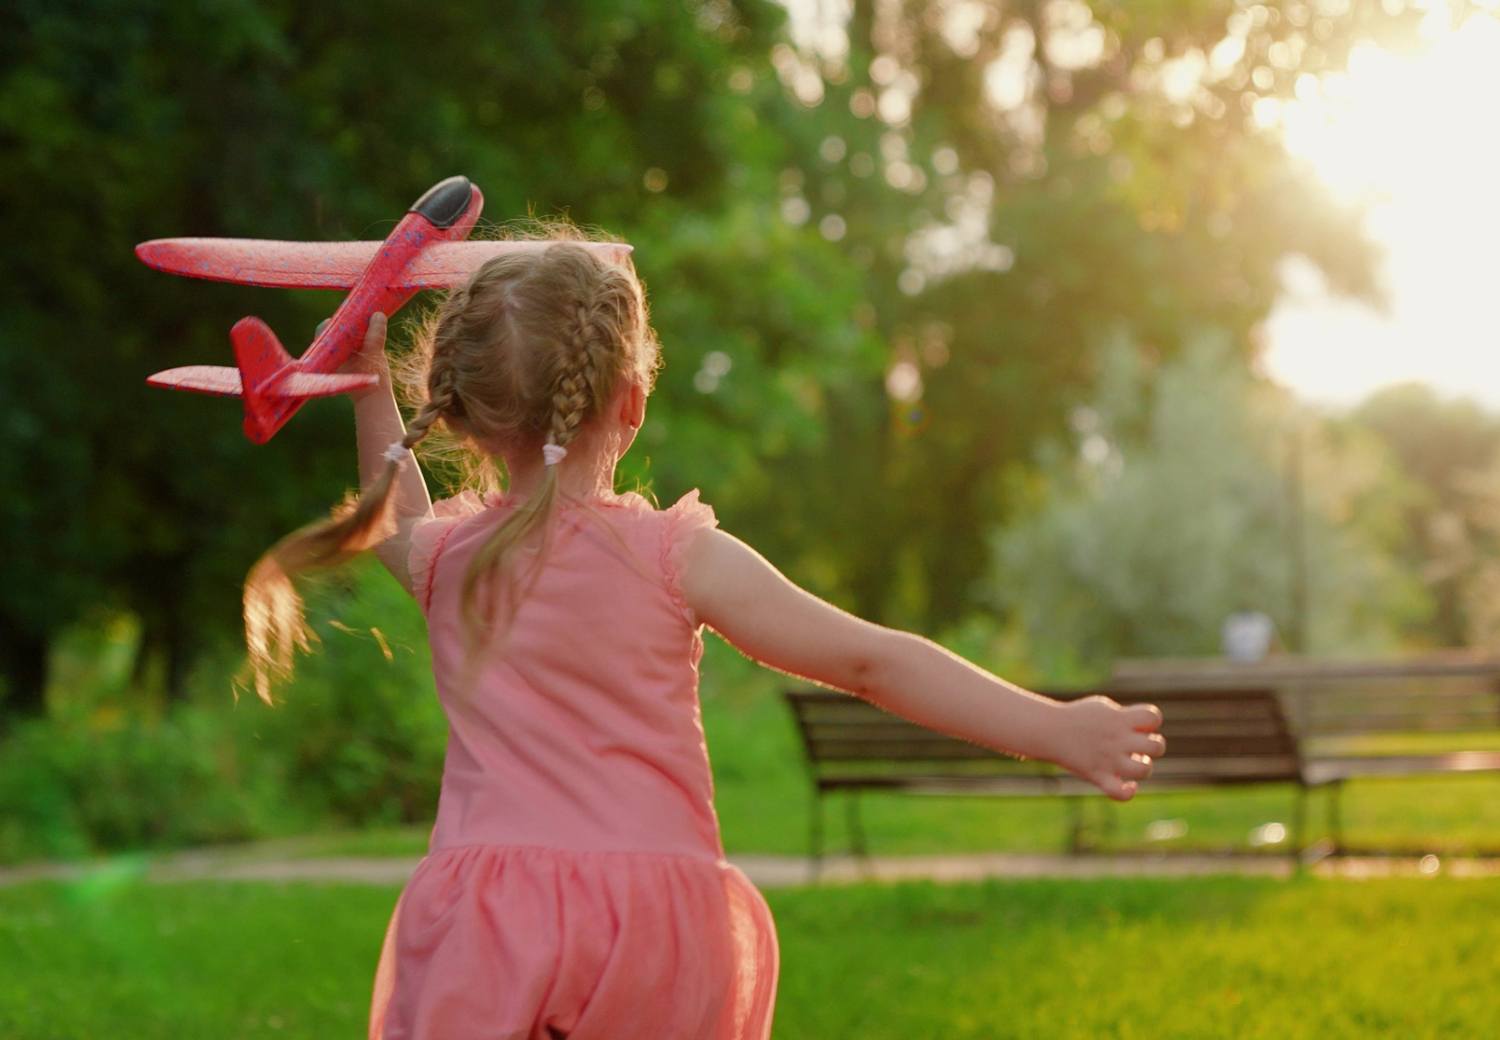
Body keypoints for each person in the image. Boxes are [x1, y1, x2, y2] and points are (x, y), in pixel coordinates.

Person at [240, 234, 1166, 1040]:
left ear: (468, 413)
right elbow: (868, 660)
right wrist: (1054, 730)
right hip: (652, 924)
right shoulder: (678, 556)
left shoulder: (451, 562)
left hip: (492, 921)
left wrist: (366, 386)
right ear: (631, 402)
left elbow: (395, 513)